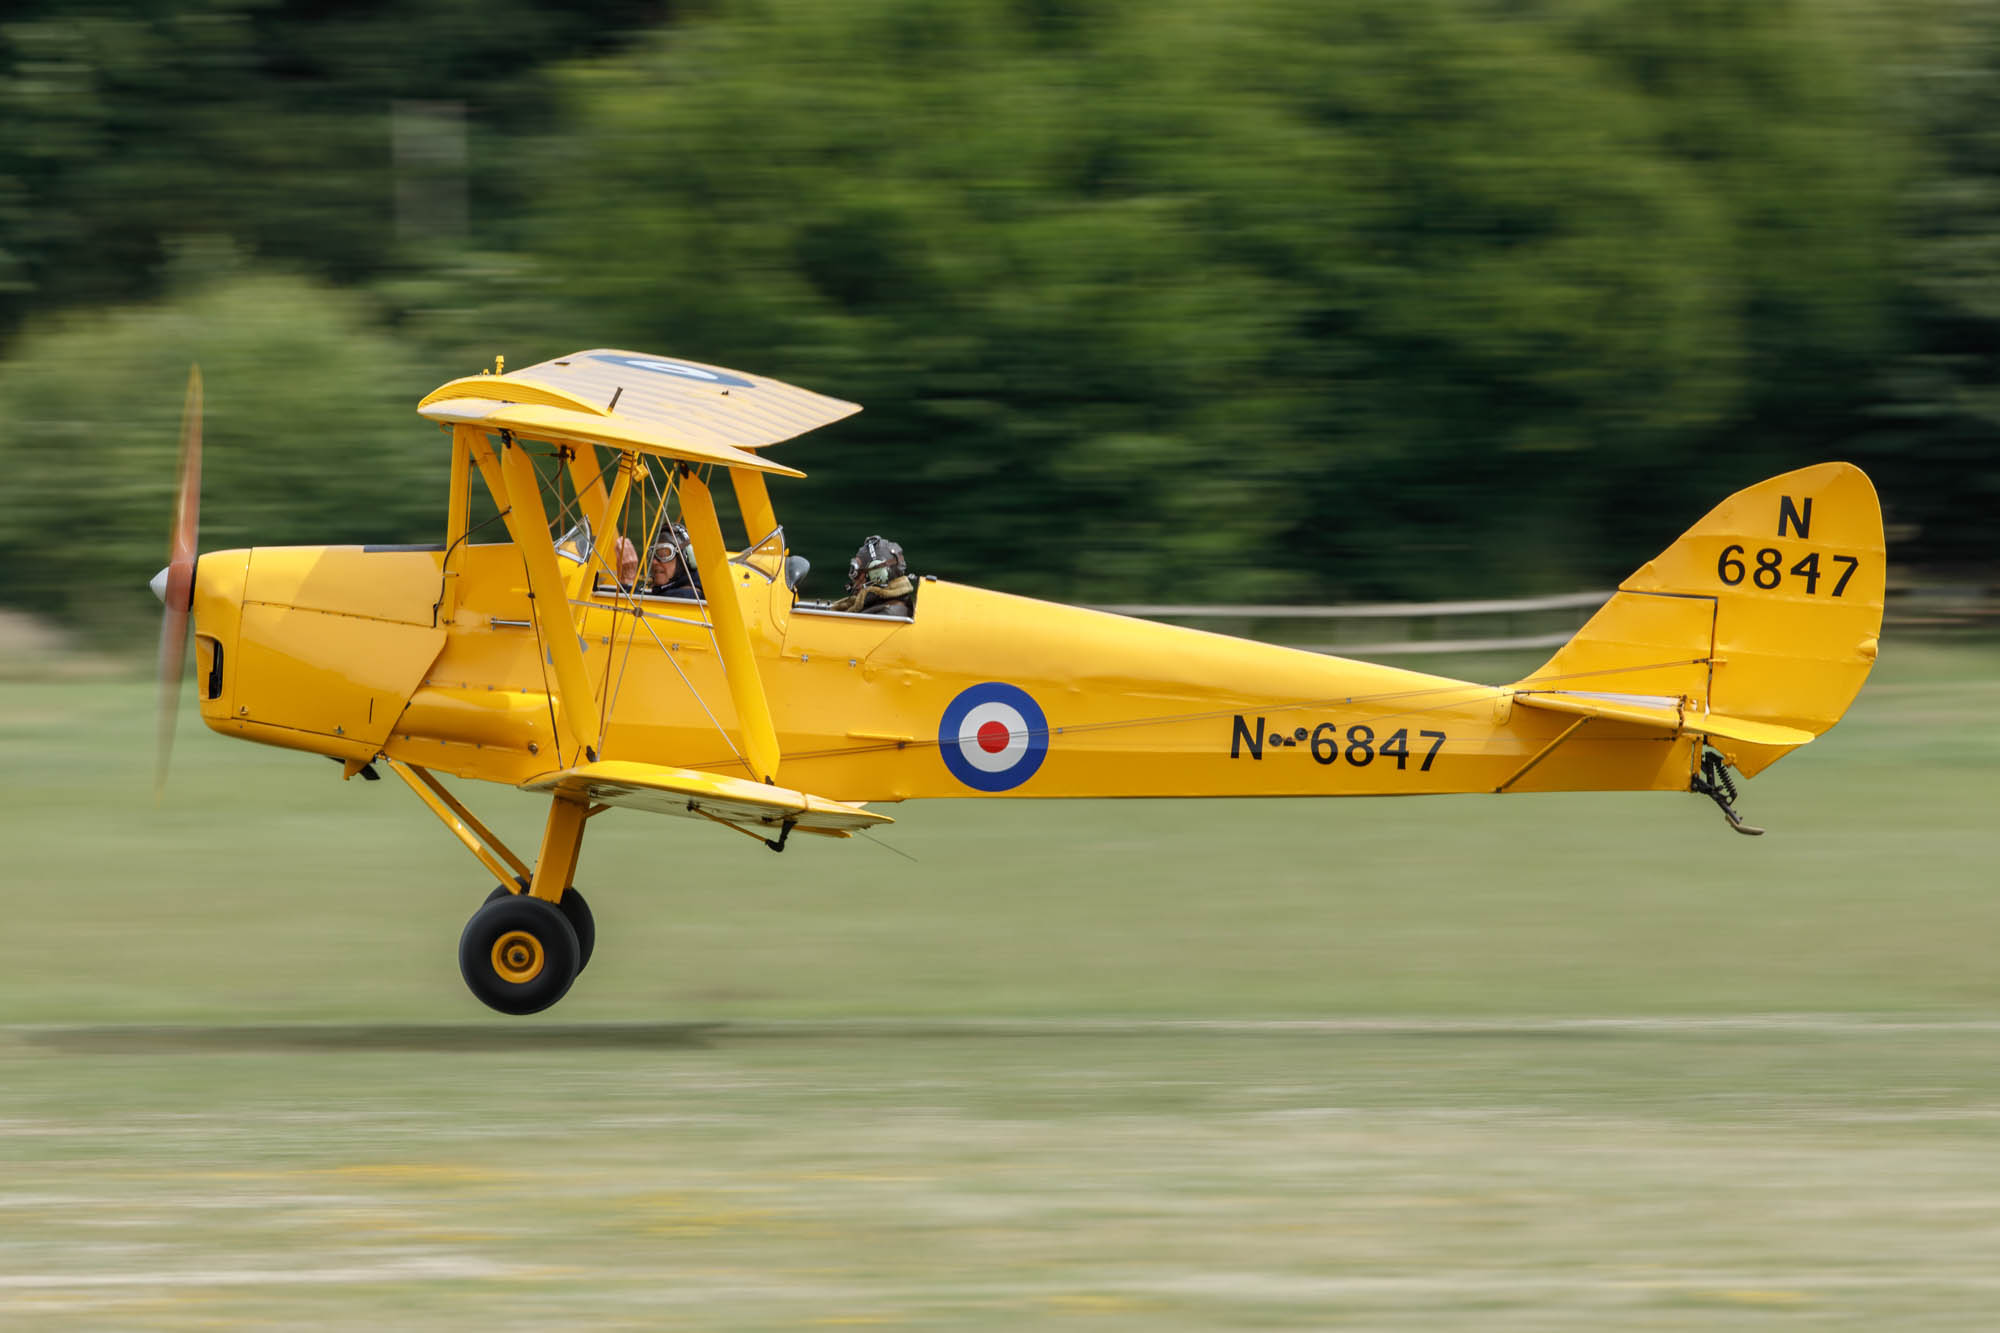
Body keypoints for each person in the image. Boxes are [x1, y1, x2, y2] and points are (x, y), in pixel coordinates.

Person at [830, 535, 913, 615]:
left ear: (877, 575)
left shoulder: (887, 614)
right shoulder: (878, 606)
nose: (853, 578)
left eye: (855, 571)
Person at [644, 524, 700, 598]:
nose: (654, 562)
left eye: (663, 554)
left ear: (685, 558)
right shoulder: (666, 591)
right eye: (651, 555)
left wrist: (628, 583)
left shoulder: (689, 595)